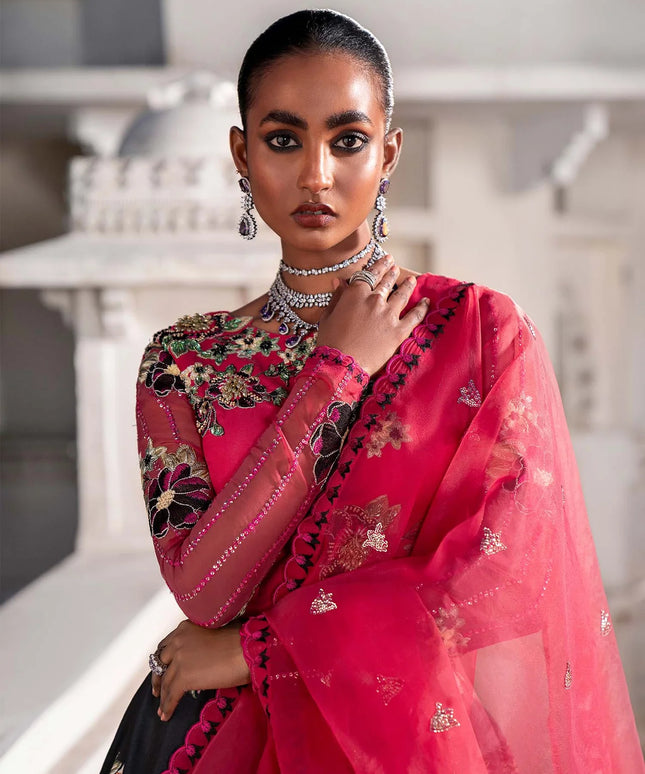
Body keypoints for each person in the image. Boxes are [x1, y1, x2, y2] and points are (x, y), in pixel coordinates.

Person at [100, 10, 643, 774]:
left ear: (388, 153)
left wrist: (256, 653)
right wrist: (337, 373)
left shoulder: (480, 333)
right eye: (283, 140)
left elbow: (501, 578)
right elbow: (205, 592)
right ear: (241, 151)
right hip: (217, 744)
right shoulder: (184, 361)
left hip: (403, 743)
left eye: (346, 140)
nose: (316, 175)